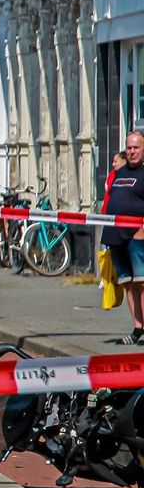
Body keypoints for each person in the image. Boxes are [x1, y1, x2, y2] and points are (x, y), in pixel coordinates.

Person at [101, 132, 144, 345]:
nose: (132, 151)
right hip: (116, 237)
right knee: (128, 284)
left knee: (142, 283)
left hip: (137, 237)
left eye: (136, 147)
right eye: (129, 147)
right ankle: (138, 328)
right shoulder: (120, 173)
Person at [102, 150, 128, 214]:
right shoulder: (112, 174)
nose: (113, 164)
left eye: (115, 162)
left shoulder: (129, 175)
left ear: (124, 161)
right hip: (107, 211)